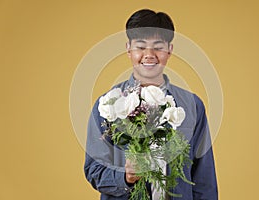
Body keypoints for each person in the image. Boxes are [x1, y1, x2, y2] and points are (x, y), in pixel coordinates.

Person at [84, 9, 218, 200]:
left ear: (169, 50)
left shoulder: (192, 105)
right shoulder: (107, 105)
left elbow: (204, 177)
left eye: (158, 46)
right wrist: (125, 177)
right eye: (140, 46)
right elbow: (93, 170)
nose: (149, 54)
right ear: (128, 48)